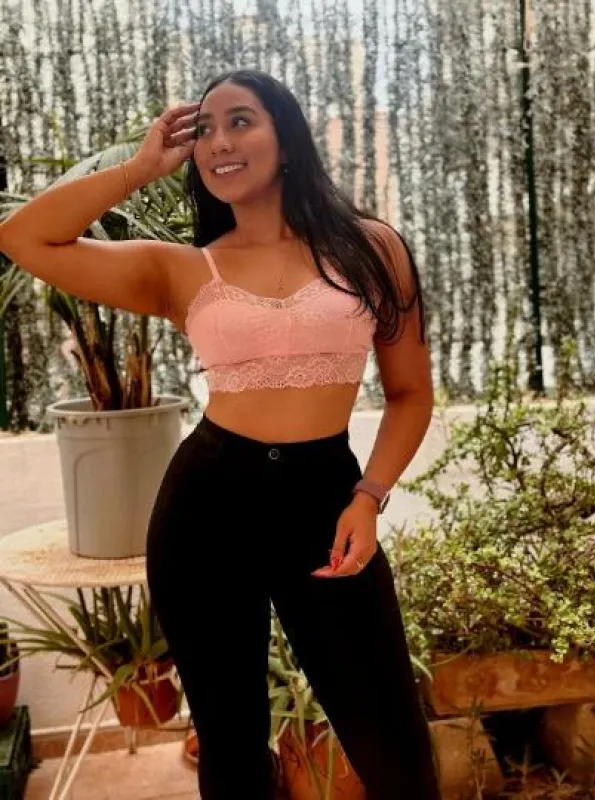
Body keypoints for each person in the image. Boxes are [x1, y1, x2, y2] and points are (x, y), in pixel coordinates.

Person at [0, 68, 441, 799]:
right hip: (208, 508)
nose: (218, 142)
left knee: (392, 741)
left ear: (287, 139)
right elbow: (21, 236)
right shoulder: (183, 268)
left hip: (328, 502)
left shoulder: (372, 249)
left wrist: (369, 496)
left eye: (241, 121)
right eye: (204, 129)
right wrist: (142, 167)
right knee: (232, 752)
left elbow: (410, 393)